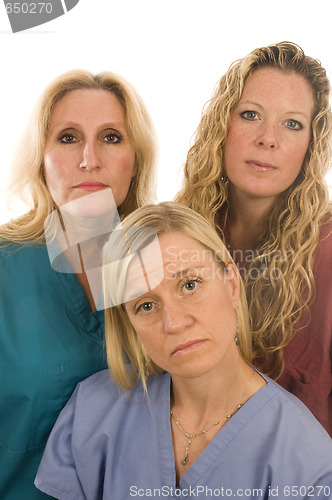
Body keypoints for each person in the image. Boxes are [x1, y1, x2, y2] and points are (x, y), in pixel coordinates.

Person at [34, 202, 332, 500]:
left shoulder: (308, 464)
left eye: (190, 285)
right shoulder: (92, 414)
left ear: (231, 284)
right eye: (146, 305)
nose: (174, 323)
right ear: (129, 322)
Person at [0, 69, 156, 500]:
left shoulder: (165, 263)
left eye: (111, 137)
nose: (90, 158)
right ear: (40, 158)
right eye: (68, 137)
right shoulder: (5, 266)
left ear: (136, 159)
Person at [175, 41, 332, 435]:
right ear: (221, 126)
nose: (268, 139)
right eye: (250, 115)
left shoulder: (327, 252)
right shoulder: (179, 233)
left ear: (310, 147)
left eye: (292, 124)